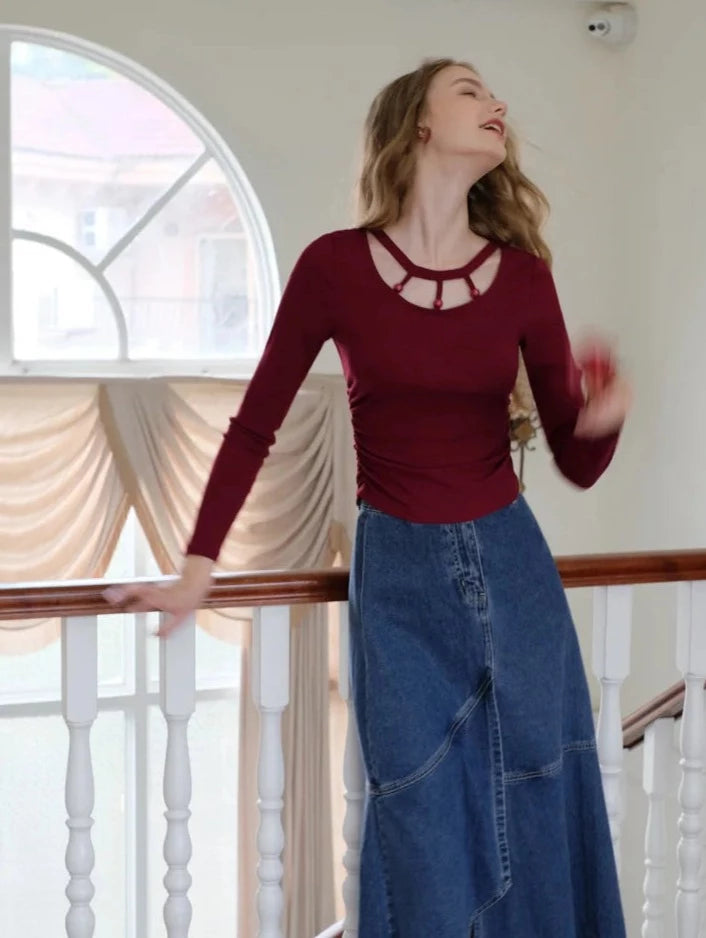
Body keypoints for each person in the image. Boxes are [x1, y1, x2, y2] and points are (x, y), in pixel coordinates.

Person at [105, 57, 631, 937]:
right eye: (470, 90)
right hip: (398, 582)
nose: (497, 103)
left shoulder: (524, 276)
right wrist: (198, 566)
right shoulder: (334, 268)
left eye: (495, 93)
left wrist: (602, 420)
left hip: (515, 570)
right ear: (417, 123)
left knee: (541, 797)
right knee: (417, 819)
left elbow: (577, 462)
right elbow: (256, 425)